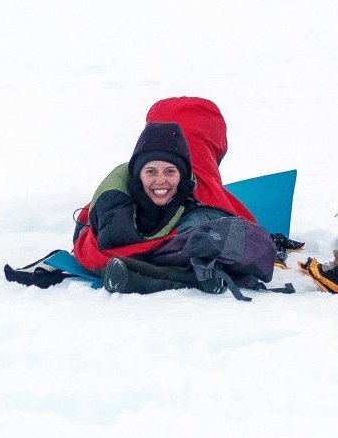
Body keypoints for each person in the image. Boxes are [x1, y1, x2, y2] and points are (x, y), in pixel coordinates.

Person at [72, 97, 275, 296]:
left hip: (119, 239)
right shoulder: (203, 182)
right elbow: (248, 236)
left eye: (169, 172)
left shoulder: (125, 178)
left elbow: (94, 223)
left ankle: (140, 270)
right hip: (187, 216)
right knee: (213, 239)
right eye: (152, 172)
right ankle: (186, 276)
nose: (160, 179)